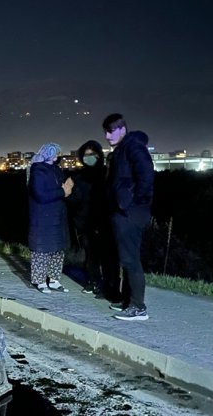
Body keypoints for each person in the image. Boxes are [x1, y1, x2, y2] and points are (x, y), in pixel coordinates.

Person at [102, 113, 154, 321]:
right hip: (124, 211)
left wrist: (131, 201)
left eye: (111, 130)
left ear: (122, 129)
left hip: (131, 212)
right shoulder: (122, 149)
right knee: (125, 256)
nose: (107, 136)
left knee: (131, 259)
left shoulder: (134, 147)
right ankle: (127, 300)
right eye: (105, 131)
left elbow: (146, 176)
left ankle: (138, 307)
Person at [68, 140, 120, 298]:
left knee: (108, 257)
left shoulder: (107, 173)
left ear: (99, 155)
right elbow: (75, 201)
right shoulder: (78, 176)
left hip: (105, 221)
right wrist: (68, 192)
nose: (90, 157)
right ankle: (93, 282)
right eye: (86, 155)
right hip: (86, 222)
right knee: (91, 256)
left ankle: (111, 288)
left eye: (93, 154)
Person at [27, 142, 74, 293]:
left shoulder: (57, 169)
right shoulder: (37, 170)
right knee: (42, 250)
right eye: (54, 153)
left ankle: (54, 280)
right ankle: (40, 281)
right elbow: (40, 195)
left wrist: (67, 189)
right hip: (43, 218)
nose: (56, 156)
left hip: (58, 217)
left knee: (58, 250)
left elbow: (64, 189)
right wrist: (62, 192)